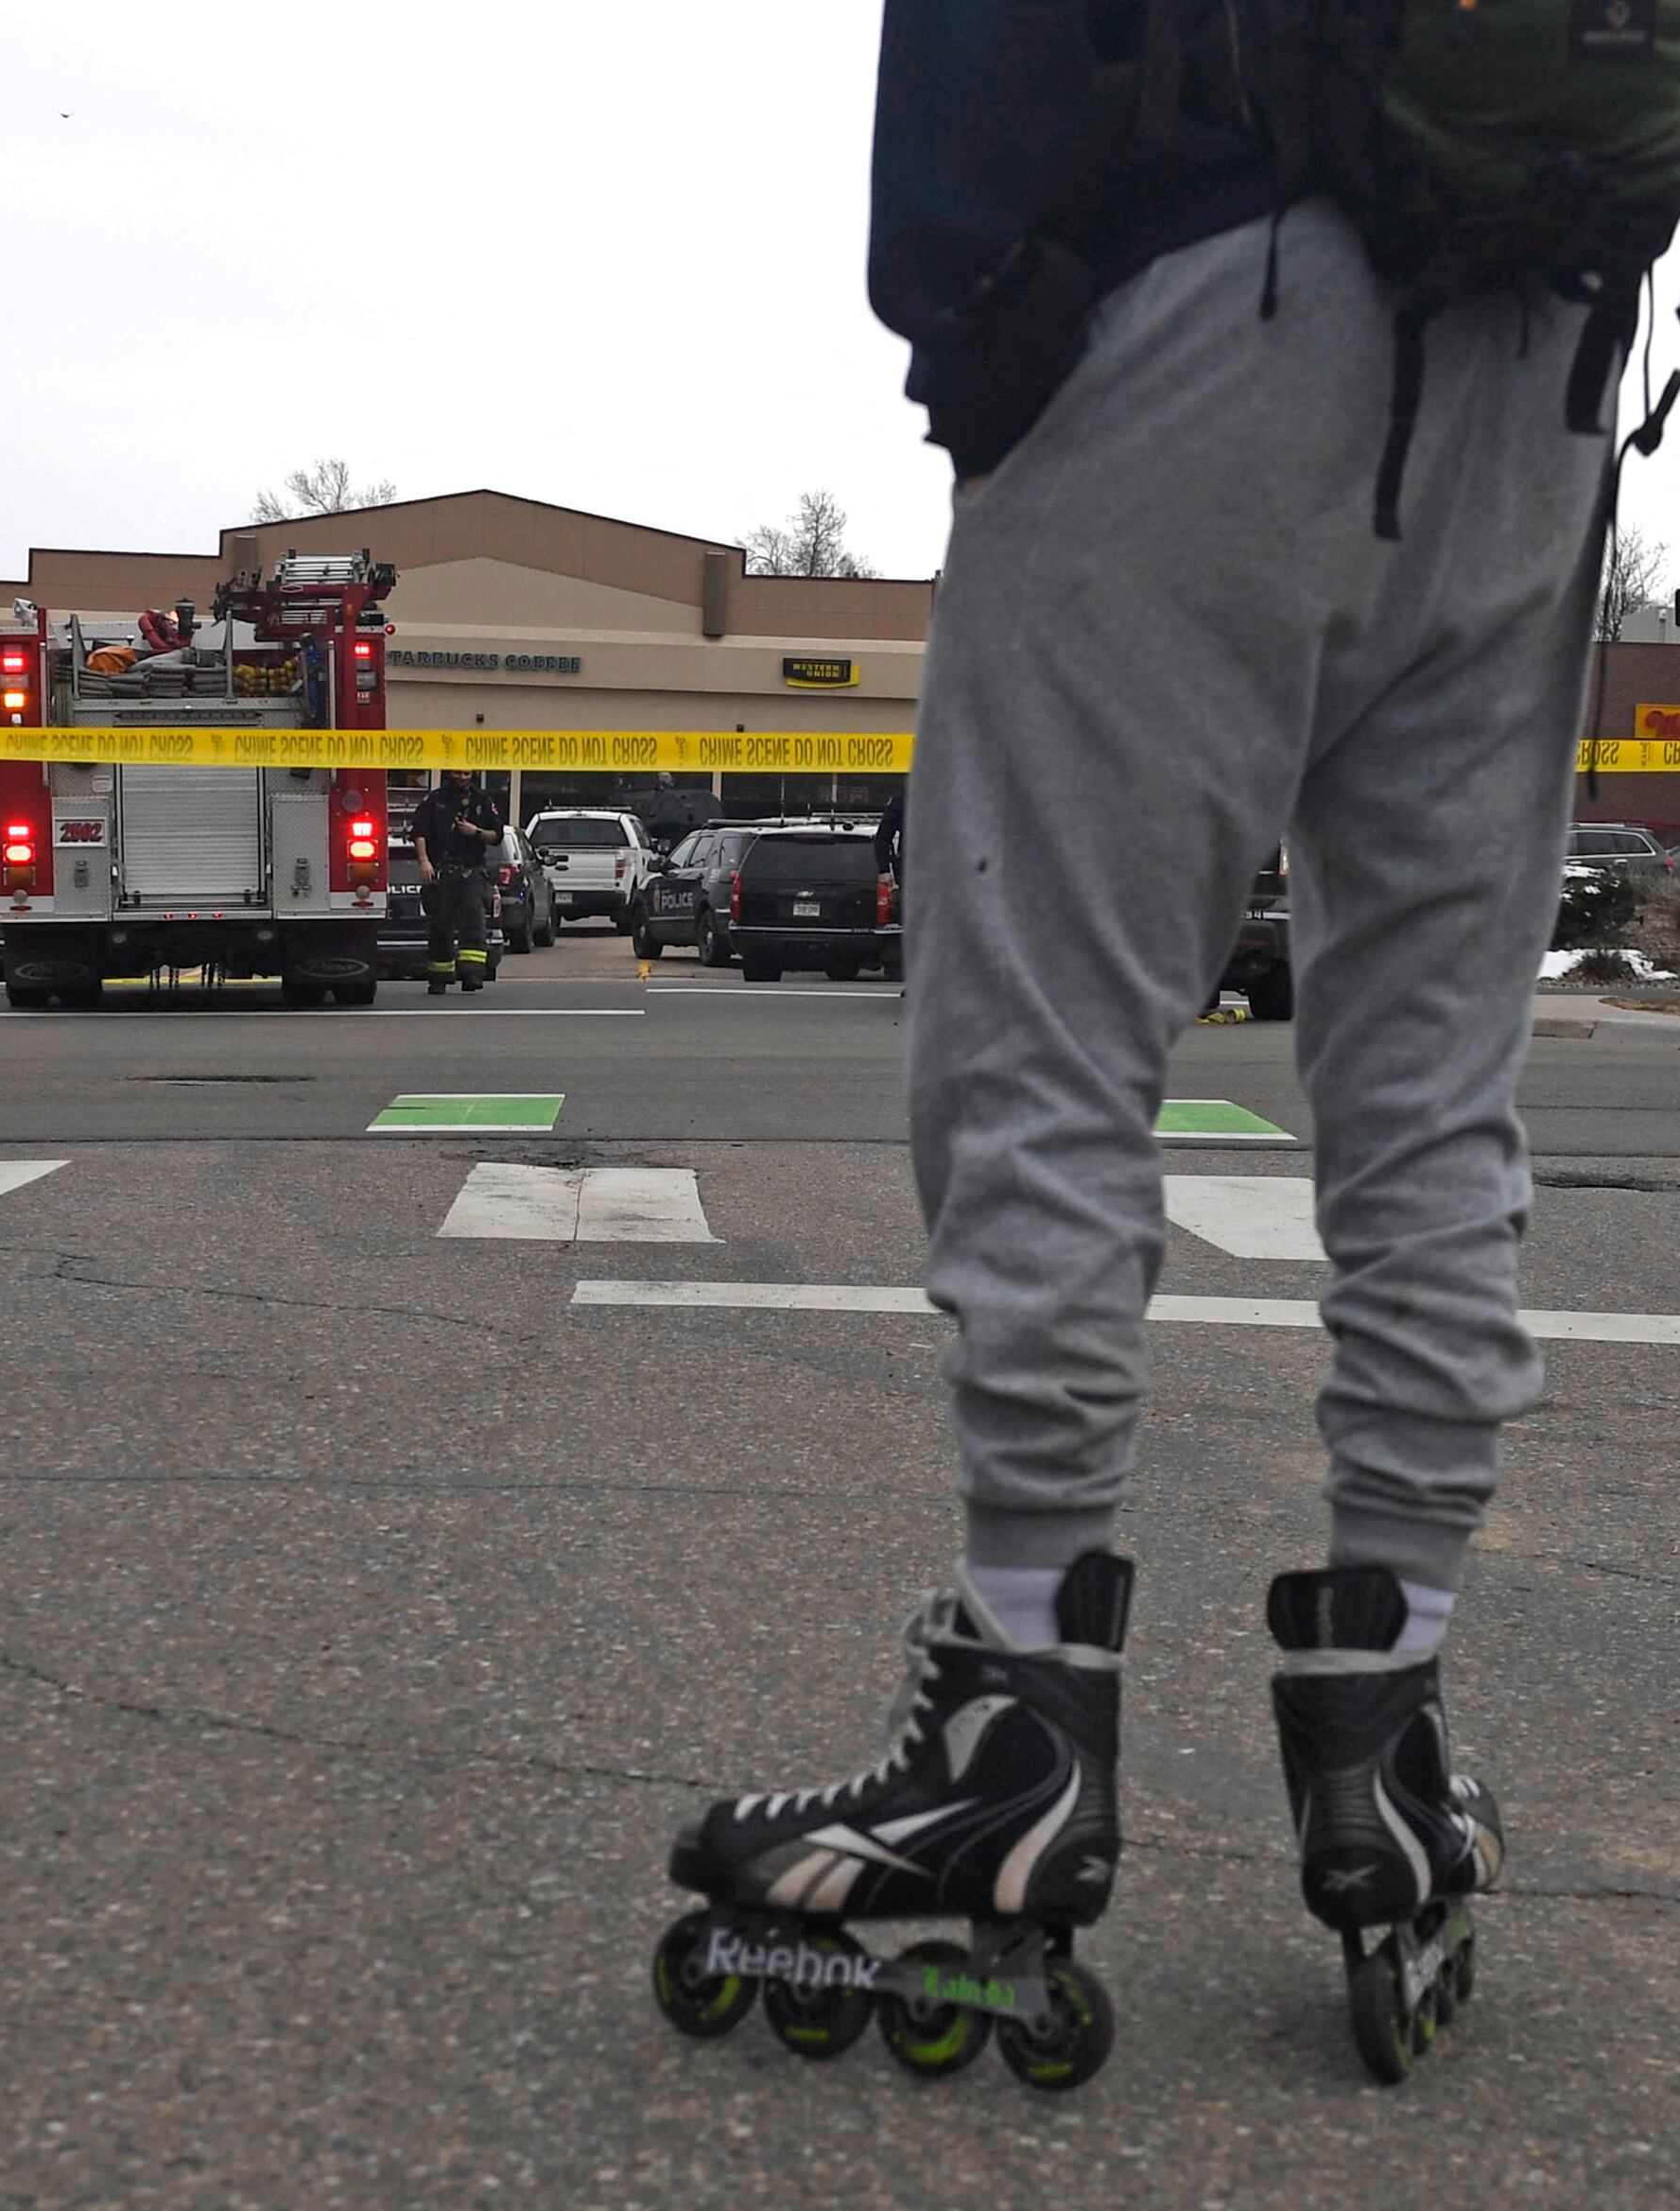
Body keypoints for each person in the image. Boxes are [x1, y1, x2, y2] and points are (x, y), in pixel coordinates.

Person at [658, 2, 1604, 2083]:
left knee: (1051, 1020)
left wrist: (973, 320)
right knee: (1435, 1077)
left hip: (1205, 286)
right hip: (1536, 348)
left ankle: (1014, 1735)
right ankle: (1390, 1734)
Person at [407, 769, 501, 995]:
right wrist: (424, 862)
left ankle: (472, 976)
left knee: (474, 924)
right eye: (458, 773)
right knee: (441, 925)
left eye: (466, 773)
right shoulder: (435, 800)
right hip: (442, 871)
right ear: (450, 773)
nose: (462, 777)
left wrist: (476, 832)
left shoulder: (482, 800)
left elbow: (497, 835)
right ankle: (439, 978)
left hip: (472, 872)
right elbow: (418, 832)